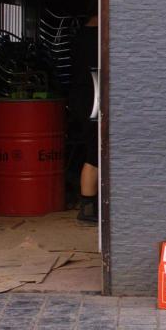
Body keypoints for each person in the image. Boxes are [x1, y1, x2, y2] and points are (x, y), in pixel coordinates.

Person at [69, 14, 99, 223]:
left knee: (94, 148)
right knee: (95, 150)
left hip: (82, 98)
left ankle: (90, 206)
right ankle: (87, 207)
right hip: (93, 99)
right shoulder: (98, 38)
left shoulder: (79, 36)